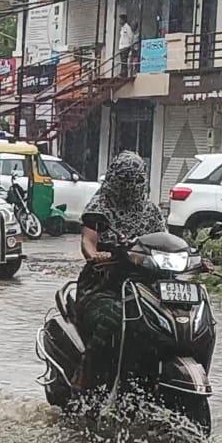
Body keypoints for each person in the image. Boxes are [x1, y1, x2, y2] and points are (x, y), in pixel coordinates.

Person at [74, 151, 166, 386]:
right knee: (113, 321)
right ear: (115, 179)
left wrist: (193, 258)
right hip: (104, 284)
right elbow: (88, 240)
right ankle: (87, 374)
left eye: (135, 180)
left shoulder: (151, 211)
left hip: (146, 284)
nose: (130, 186)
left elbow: (166, 241)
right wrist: (95, 256)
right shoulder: (99, 206)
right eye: (125, 180)